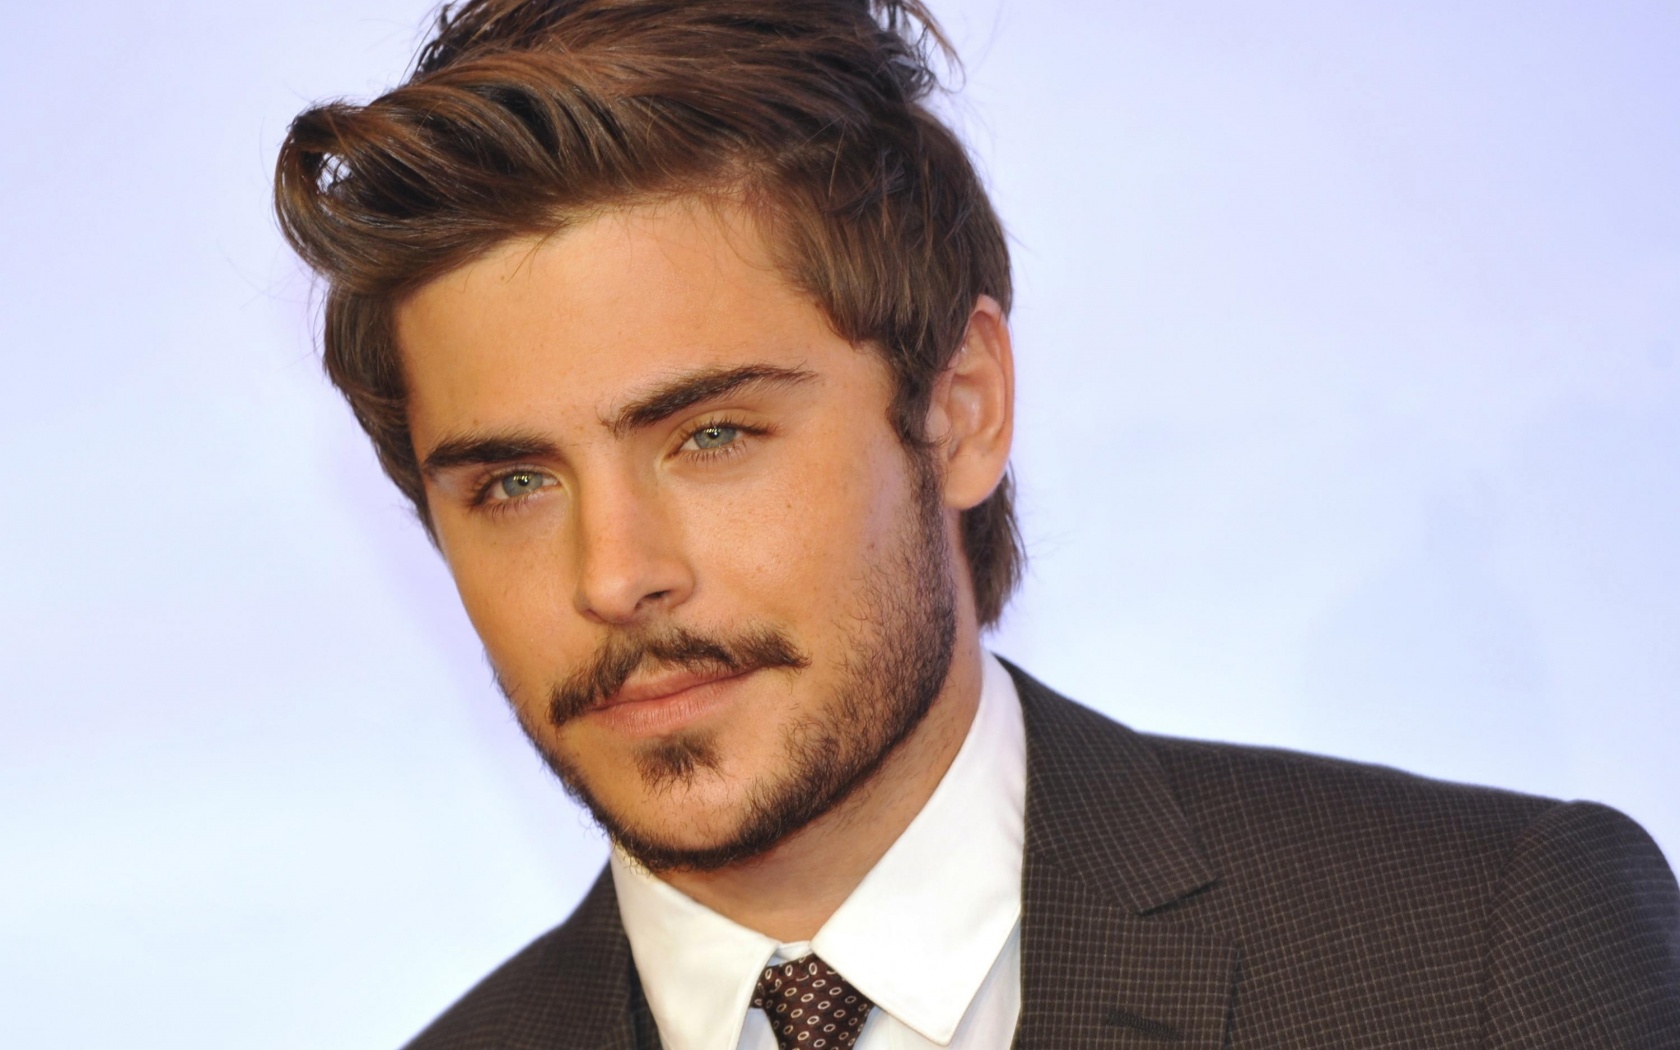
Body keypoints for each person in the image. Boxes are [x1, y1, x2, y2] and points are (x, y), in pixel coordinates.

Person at [273, 1, 1680, 1046]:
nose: (617, 574)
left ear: (959, 411)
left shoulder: (1480, 958)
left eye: (712, 435)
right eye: (512, 485)